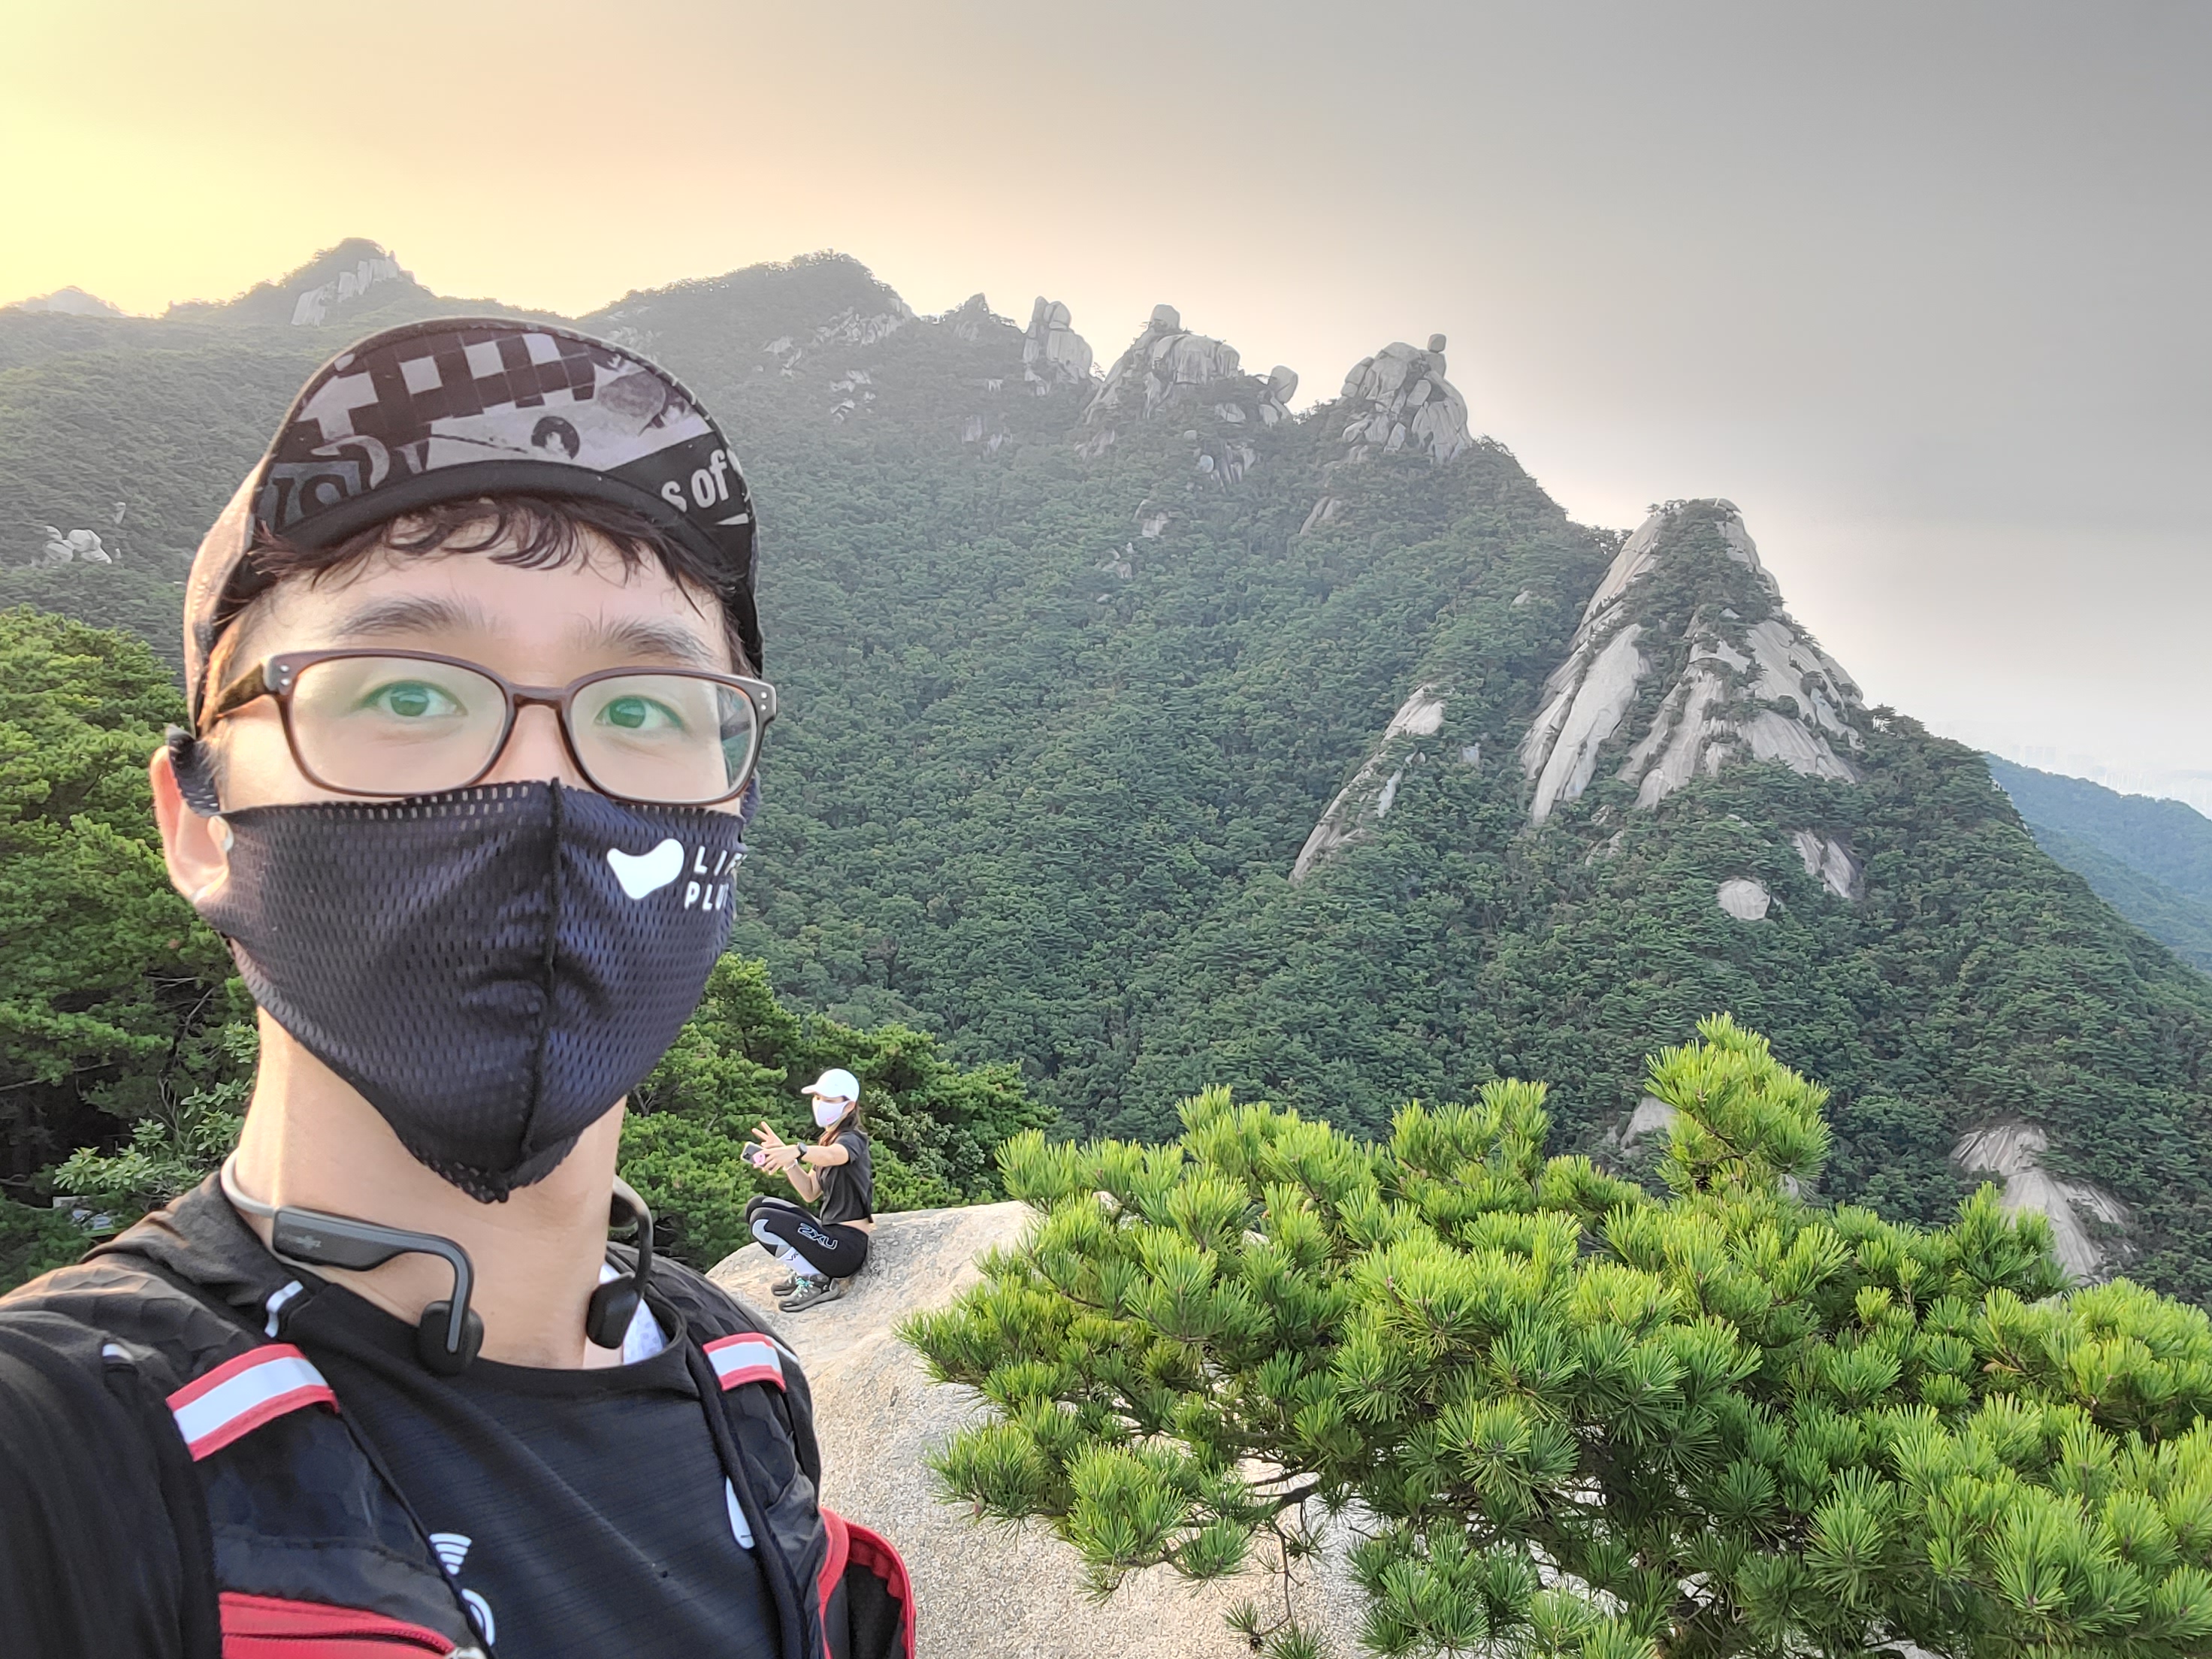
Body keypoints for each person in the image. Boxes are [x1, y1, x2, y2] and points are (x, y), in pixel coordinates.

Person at [0, 319, 914, 1659]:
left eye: (644, 708)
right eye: (408, 696)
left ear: (735, 810)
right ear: (199, 821)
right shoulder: (66, 1454)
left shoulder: (741, 1380)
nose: (541, 788)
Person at [745, 1069, 875, 1311]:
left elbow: (834, 1156)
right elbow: (810, 1191)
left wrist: (798, 1150)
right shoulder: (828, 1140)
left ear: (849, 1106)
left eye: (828, 1100)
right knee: (757, 1206)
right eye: (817, 1097)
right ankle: (806, 1269)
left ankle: (817, 1280)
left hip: (846, 1248)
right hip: (829, 1235)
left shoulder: (852, 1139)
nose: (819, 1104)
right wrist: (789, 1160)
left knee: (763, 1221)